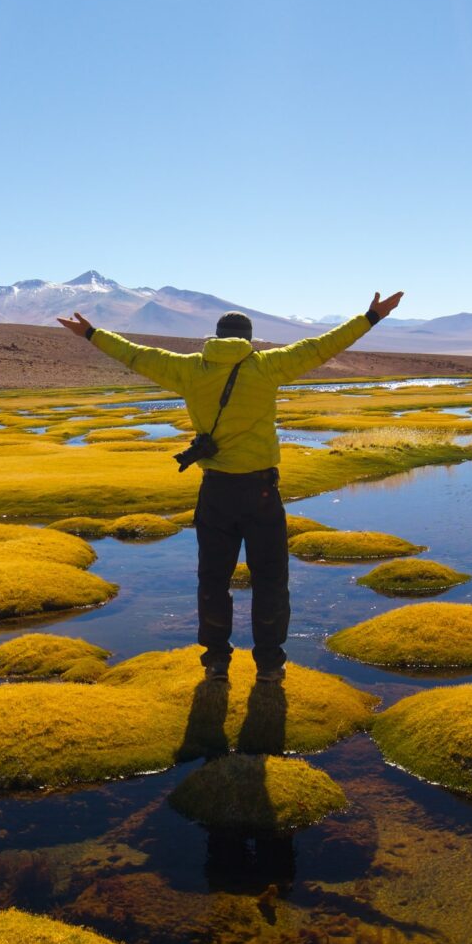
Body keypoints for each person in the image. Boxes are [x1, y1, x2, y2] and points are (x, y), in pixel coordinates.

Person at [59, 291, 404, 681]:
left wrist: (91, 333)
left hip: (216, 492)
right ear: (248, 339)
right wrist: (372, 316)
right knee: (270, 579)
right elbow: (322, 346)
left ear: (216, 336)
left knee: (213, 578)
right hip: (260, 493)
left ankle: (217, 662)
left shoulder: (189, 368)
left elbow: (135, 354)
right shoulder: (267, 366)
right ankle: (270, 664)